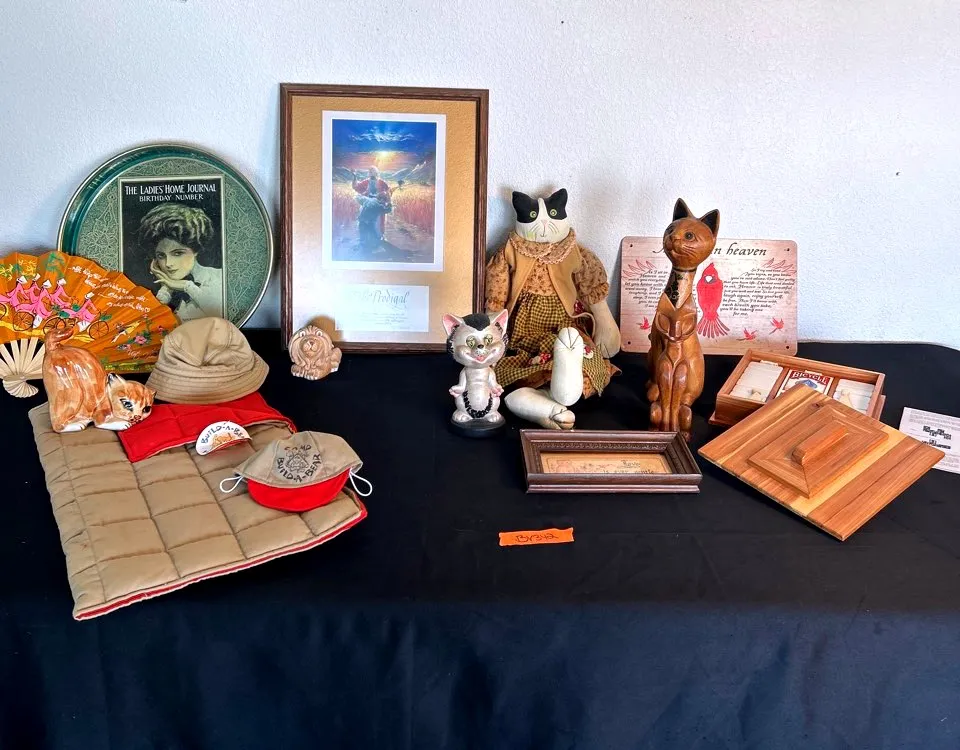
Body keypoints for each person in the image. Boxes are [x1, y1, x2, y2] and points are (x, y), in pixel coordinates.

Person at [135, 203, 223, 320]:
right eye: (161, 256)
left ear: (195, 249)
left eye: (177, 253)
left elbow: (221, 313)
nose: (168, 264)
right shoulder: (164, 290)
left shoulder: (219, 277)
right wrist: (166, 289)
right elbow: (149, 323)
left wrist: (186, 286)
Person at [351, 166, 390, 239]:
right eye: (369, 171)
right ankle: (365, 238)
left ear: (376, 172)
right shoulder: (366, 182)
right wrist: (354, 176)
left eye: (372, 171)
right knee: (365, 221)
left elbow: (388, 193)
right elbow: (356, 187)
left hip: (378, 206)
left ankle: (379, 237)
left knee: (378, 222)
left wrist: (387, 201)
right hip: (367, 205)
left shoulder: (382, 182)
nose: (370, 172)